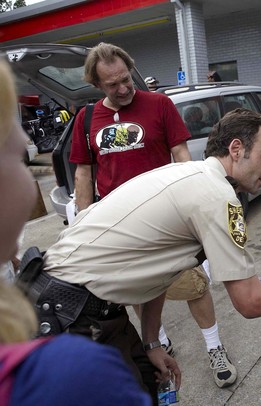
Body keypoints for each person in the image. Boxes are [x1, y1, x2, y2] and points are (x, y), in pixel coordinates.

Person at [21, 108, 261, 402]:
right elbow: (250, 302)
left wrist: (152, 341)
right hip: (68, 315)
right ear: (236, 150)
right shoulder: (216, 196)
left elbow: (160, 270)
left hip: (70, 303)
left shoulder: (191, 174)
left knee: (148, 385)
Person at [70, 42, 237, 389]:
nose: (124, 87)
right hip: (117, 228)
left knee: (193, 285)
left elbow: (181, 155)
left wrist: (195, 208)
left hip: (165, 223)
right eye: (113, 84)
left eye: (126, 78)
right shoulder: (86, 119)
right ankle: (156, 341)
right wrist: (83, 225)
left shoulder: (159, 105)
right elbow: (83, 174)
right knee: (135, 291)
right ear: (98, 85)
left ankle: (214, 346)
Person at [0, 58, 151, 406]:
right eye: (8, 132)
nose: (25, 138)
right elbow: (82, 172)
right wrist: (86, 224)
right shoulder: (73, 371)